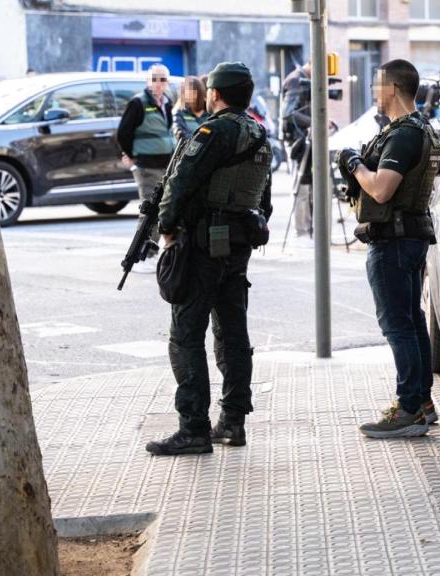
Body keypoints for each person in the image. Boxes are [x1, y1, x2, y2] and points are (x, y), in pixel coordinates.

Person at [145, 62, 274, 456]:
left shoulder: (213, 131)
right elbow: (263, 201)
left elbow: (181, 181)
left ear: (215, 94)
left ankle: (194, 428)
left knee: (185, 337)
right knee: (232, 335)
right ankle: (233, 422)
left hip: (201, 247)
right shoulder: (259, 134)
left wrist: (165, 226)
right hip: (236, 247)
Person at [337, 59, 440, 439]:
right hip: (408, 237)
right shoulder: (420, 129)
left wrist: (353, 165)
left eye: (377, 87)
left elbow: (381, 188)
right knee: (412, 322)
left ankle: (409, 408)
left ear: (393, 89)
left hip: (394, 241)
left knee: (398, 325)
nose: (374, 95)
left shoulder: (404, 135)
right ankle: (422, 403)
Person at [117, 64, 175, 270]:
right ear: (147, 81)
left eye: (162, 79)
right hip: (146, 165)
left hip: (166, 165)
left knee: (163, 208)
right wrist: (131, 156)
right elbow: (123, 133)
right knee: (150, 209)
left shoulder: (167, 103)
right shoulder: (138, 103)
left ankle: (151, 251)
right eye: (154, 78)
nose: (158, 83)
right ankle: (142, 255)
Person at [280, 63, 313, 238]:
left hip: (302, 138)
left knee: (307, 187)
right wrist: (314, 121)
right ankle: (301, 231)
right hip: (296, 141)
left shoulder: (304, 80)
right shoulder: (295, 81)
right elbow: (289, 114)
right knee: (301, 188)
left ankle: (307, 229)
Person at [172, 76, 209, 144]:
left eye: (192, 91)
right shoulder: (179, 113)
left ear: (200, 92)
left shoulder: (209, 113)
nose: (189, 94)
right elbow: (181, 135)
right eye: (186, 91)